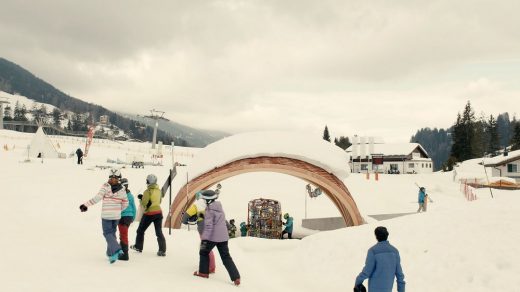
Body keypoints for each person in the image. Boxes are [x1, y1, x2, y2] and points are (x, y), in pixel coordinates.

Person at [79, 168, 129, 264]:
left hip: (106, 215)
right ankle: (111, 255)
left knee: (107, 234)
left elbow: (97, 197)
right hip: (116, 216)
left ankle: (117, 249)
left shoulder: (106, 186)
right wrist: (118, 210)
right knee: (112, 234)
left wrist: (86, 205)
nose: (114, 179)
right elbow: (125, 203)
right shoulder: (122, 189)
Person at [193, 190, 241, 286]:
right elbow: (220, 220)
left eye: (204, 199)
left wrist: (204, 239)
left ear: (208, 200)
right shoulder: (219, 208)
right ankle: (236, 277)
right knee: (226, 257)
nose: (203, 200)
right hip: (223, 238)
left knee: (203, 252)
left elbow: (209, 226)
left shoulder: (209, 210)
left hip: (212, 238)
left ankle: (203, 273)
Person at [354, 226, 405, 292]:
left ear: (376, 236)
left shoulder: (373, 251)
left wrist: (358, 282)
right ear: (387, 235)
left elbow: (367, 271)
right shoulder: (394, 251)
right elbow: (399, 275)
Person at [130, 174, 167, 256]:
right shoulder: (159, 191)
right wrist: (144, 197)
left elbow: (144, 204)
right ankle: (162, 250)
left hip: (149, 214)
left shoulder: (147, 191)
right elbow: (159, 201)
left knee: (140, 230)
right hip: (158, 213)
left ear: (149, 181)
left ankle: (138, 246)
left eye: (147, 181)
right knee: (159, 232)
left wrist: (141, 198)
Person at [181, 191, 216, 273]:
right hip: (213, 228)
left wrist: (185, 221)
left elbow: (186, 216)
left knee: (205, 248)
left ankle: (210, 267)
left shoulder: (197, 204)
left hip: (203, 229)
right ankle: (211, 265)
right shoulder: (213, 204)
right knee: (208, 247)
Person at [117, 178, 136, 261]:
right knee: (123, 234)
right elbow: (134, 208)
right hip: (129, 217)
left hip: (123, 217)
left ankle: (125, 255)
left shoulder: (120, 195)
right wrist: (133, 218)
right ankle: (122, 252)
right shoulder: (130, 195)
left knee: (123, 235)